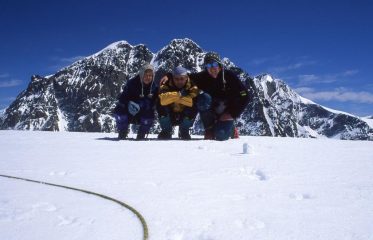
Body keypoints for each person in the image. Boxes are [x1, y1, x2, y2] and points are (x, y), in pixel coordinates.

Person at [160, 52, 249, 141]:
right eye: (209, 65)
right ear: (206, 67)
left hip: (226, 112)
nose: (212, 68)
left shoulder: (229, 76)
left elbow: (245, 96)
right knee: (203, 98)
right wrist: (169, 75)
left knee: (221, 136)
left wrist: (232, 114)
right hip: (212, 110)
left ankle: (231, 129)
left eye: (214, 64)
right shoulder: (203, 77)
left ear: (219, 65)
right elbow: (185, 77)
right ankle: (209, 129)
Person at [113, 63, 158, 140]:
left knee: (150, 115)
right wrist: (129, 103)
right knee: (119, 111)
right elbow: (123, 97)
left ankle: (142, 134)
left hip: (144, 112)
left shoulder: (154, 87)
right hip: (129, 110)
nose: (148, 77)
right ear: (141, 74)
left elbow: (154, 102)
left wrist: (146, 105)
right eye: (146, 75)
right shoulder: (131, 84)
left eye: (150, 75)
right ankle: (123, 132)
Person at [157, 66, 199, 140]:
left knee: (194, 105)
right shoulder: (166, 84)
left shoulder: (192, 85)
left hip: (184, 114)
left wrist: (171, 97)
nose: (179, 81)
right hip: (170, 113)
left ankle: (184, 131)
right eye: (176, 79)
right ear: (173, 78)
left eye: (182, 78)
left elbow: (192, 101)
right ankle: (166, 131)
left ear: (186, 78)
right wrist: (179, 95)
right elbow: (162, 99)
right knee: (159, 103)